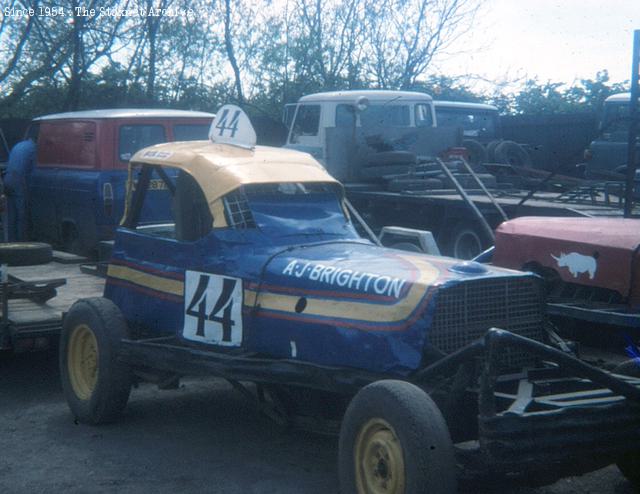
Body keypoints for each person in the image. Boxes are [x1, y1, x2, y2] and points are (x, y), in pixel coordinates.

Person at [4, 127, 37, 241]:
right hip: (19, 180)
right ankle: (22, 242)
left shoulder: (19, 145)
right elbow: (34, 170)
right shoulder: (33, 149)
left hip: (8, 179)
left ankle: (11, 241)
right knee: (22, 214)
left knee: (12, 213)